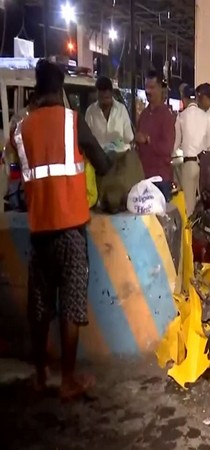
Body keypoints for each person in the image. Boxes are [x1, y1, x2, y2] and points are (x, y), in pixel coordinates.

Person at [13, 59, 112, 400]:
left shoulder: (21, 129)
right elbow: (102, 162)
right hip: (71, 230)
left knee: (40, 305)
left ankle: (41, 375)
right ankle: (67, 380)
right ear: (60, 90)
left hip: (39, 232)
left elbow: (17, 171)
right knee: (71, 304)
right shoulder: (73, 122)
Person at [136, 70, 176, 201]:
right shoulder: (144, 115)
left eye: (152, 87)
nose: (148, 91)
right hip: (144, 178)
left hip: (161, 180)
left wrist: (148, 140)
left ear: (160, 89)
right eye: (146, 87)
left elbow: (167, 149)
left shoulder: (167, 115)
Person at [174, 84, 208, 216]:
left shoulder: (181, 117)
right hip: (202, 164)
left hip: (188, 164)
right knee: (201, 203)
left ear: (184, 99)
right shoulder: (205, 116)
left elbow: (176, 143)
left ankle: (190, 234)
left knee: (188, 205)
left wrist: (171, 154)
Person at [85, 76, 134, 153]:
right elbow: (87, 139)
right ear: (97, 95)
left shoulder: (121, 109)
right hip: (98, 159)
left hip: (119, 159)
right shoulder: (91, 111)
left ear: (111, 94)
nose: (104, 101)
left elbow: (129, 137)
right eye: (102, 98)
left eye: (107, 98)